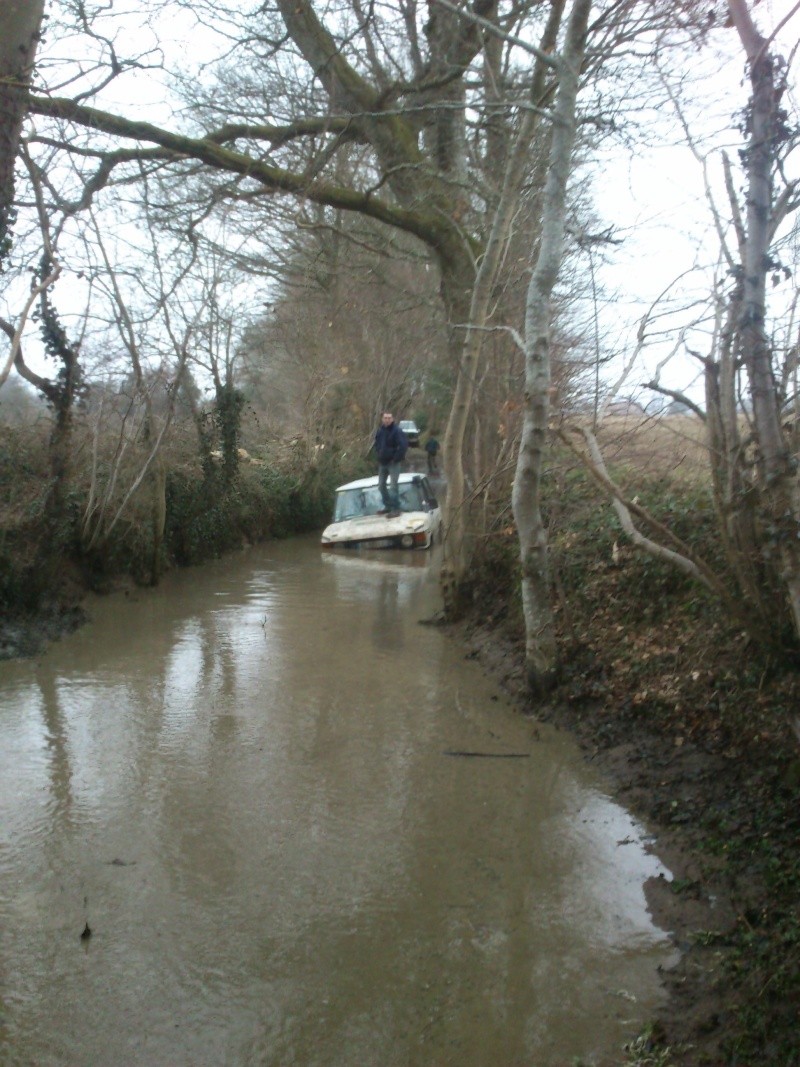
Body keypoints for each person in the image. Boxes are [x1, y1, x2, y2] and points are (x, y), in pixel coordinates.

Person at [374, 411, 408, 516]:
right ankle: (388, 506)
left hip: (393, 463)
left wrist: (396, 458)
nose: (387, 420)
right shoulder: (380, 431)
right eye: (385, 418)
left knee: (393, 486)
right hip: (383, 462)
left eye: (389, 418)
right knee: (381, 486)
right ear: (382, 419)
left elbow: (403, 446)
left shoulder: (397, 431)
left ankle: (395, 509)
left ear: (392, 419)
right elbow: (376, 444)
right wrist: (379, 454)